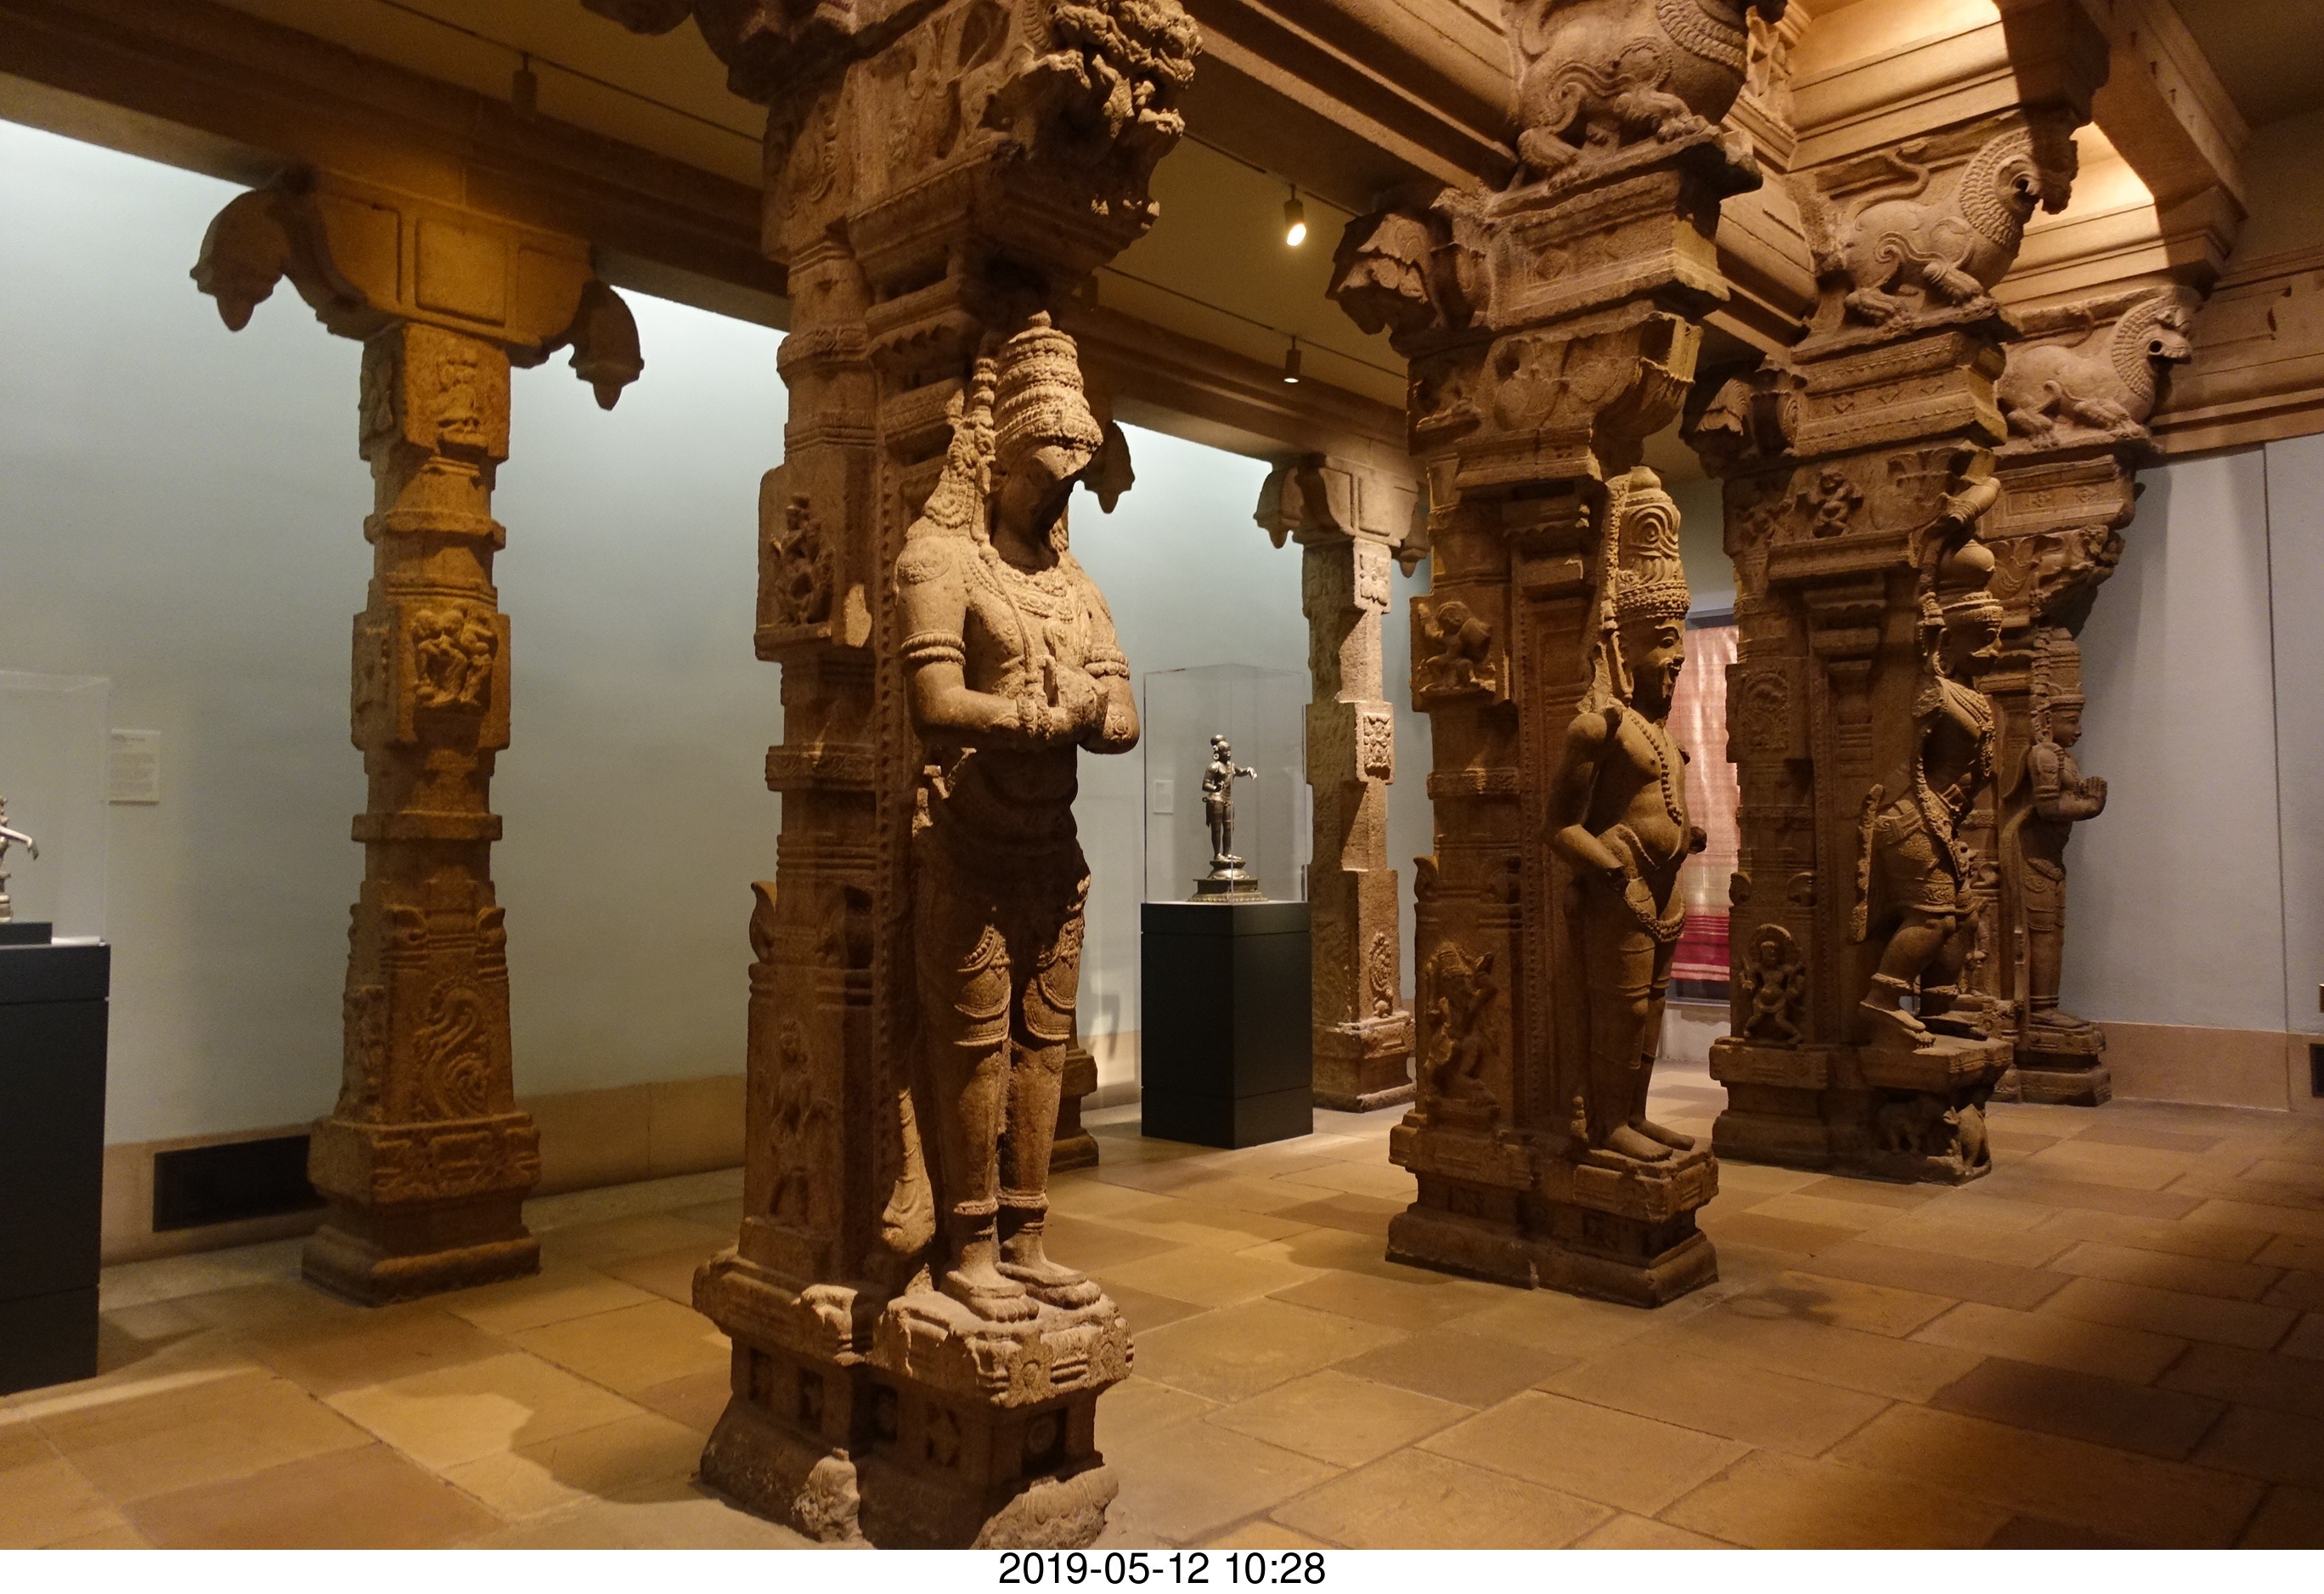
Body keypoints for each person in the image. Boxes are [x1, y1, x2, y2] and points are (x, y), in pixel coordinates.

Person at [894, 314, 1137, 1324]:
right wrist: (1036, 716)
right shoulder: (938, 561)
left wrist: (1087, 709)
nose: (1058, 497)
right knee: (972, 1046)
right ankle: (968, 1247)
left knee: (1043, 1043)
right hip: (968, 841)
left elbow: (1123, 716)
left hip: (1052, 850)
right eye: (1043, 478)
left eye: (1070, 483)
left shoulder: (1076, 586)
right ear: (994, 463)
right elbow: (933, 703)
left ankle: (1028, 1237)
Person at [1545, 472, 1706, 1162]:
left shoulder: (1658, 732)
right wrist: (1604, 861)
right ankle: (1608, 1121)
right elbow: (1559, 825)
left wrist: (1688, 832)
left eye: (1679, 643)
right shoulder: (1600, 727)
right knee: (1624, 1007)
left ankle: (1635, 1114)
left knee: (1653, 1008)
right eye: (1663, 642)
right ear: (1626, 644)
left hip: (1665, 889)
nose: (1676, 660)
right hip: (1623, 886)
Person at [1200, 734, 1256, 871]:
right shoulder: (1214, 766)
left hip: (1228, 799)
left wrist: (1249, 769)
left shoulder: (1232, 766)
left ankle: (1227, 853)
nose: (1228, 753)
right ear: (1218, 753)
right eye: (1225, 751)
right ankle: (1217, 854)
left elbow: (1241, 771)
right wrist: (1215, 788)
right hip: (1216, 799)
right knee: (1217, 828)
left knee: (1229, 827)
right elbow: (1205, 784)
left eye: (1229, 750)